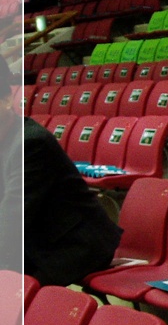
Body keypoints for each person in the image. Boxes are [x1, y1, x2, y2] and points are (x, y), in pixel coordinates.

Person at [0, 56, 122, 285]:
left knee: (14, 292)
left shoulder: (29, 144)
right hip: (38, 242)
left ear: (7, 99)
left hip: (73, 245)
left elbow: (13, 217)